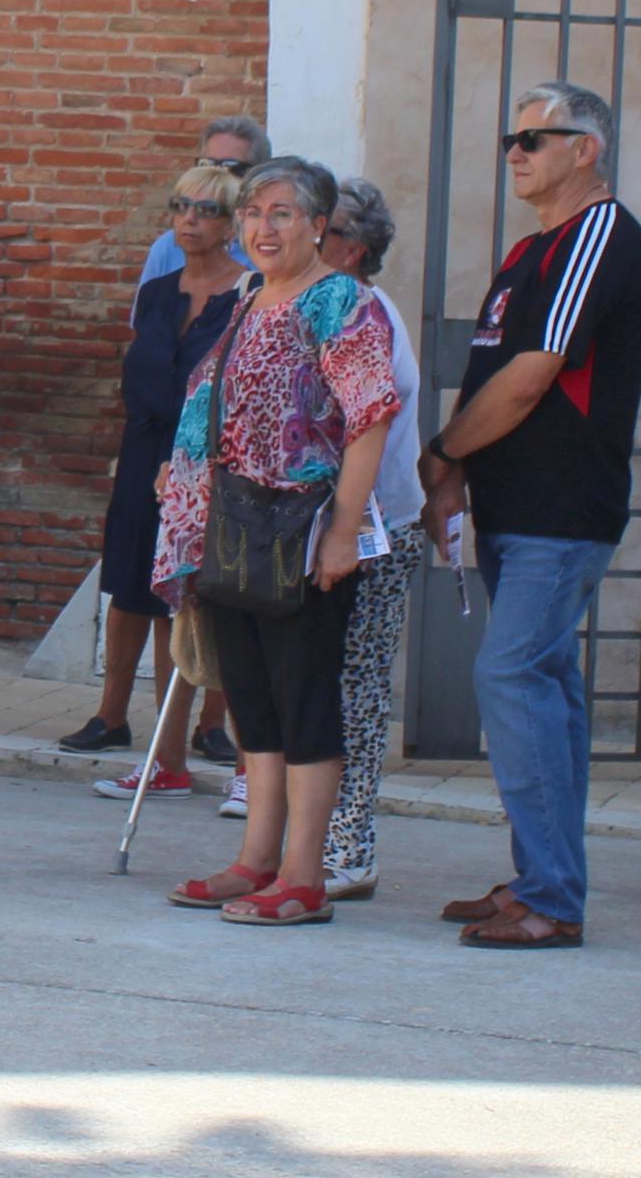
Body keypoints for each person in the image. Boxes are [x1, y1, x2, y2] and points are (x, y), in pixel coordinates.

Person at [420, 81, 641, 953]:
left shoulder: (597, 233)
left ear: (583, 148)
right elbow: (490, 372)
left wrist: (443, 451)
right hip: (515, 504)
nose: (515, 152)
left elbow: (532, 374)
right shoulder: (531, 249)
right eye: (509, 138)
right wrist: (457, 474)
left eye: (533, 138)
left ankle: (552, 896)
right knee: (544, 688)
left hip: (563, 507)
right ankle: (539, 879)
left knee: (510, 677)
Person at [151, 159, 401, 925]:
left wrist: (341, 532)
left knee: (303, 701)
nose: (263, 226)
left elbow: (369, 416)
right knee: (251, 700)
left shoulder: (340, 301)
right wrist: (184, 469)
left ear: (320, 225)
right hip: (229, 523)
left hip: (298, 526)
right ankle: (255, 859)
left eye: (283, 212)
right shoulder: (251, 297)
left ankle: (302, 874)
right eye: (253, 211)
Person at [72, 164, 247, 789]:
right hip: (144, 456)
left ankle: (180, 749)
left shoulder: (248, 294)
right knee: (133, 592)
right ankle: (146, 744)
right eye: (181, 206)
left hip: (206, 467)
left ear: (231, 223)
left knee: (191, 605)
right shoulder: (155, 292)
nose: (190, 220)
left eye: (206, 210)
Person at [312, 174, 426, 900]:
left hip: (370, 530)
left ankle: (347, 846)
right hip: (326, 527)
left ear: (349, 249)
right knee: (312, 686)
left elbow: (361, 422)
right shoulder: (327, 303)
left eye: (314, 230)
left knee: (355, 690)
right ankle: (302, 839)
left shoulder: (363, 313)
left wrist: (344, 530)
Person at [131, 113, 268, 307]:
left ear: (257, 176)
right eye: (207, 166)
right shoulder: (168, 247)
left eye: (231, 168)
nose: (216, 177)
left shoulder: (269, 248)